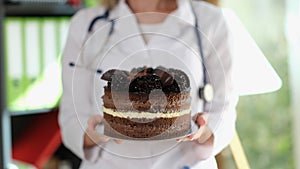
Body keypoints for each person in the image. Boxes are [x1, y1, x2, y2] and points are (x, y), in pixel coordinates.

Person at [59, 0, 238, 168]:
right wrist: (96, 131)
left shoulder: (210, 20)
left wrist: (204, 132)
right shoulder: (85, 25)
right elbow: (71, 117)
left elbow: (224, 108)